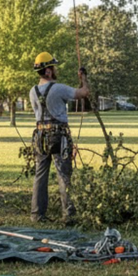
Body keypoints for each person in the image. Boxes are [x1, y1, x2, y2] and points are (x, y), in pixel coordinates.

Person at [29, 52, 89, 224]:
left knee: (40, 175)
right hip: (59, 136)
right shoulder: (58, 88)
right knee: (64, 174)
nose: (55, 70)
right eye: (53, 67)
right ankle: (69, 215)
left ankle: (37, 215)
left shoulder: (32, 92)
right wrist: (83, 77)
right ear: (47, 71)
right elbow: (83, 93)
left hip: (40, 136)